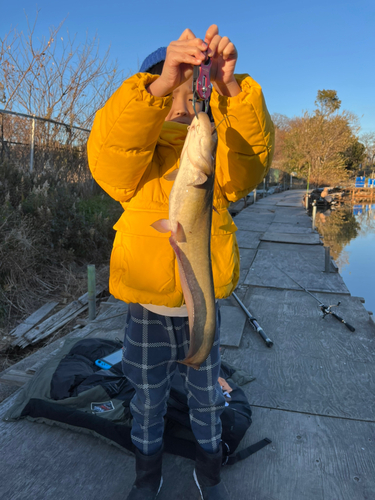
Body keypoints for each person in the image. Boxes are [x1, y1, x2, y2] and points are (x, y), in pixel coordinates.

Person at [87, 24, 274, 500]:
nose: (185, 101)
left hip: (203, 307)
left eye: (192, 90)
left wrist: (230, 86)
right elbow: (111, 150)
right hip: (146, 312)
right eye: (171, 89)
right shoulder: (138, 163)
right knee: (147, 400)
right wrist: (160, 84)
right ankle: (146, 479)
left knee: (207, 398)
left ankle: (208, 475)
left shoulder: (212, 156)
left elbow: (250, 161)